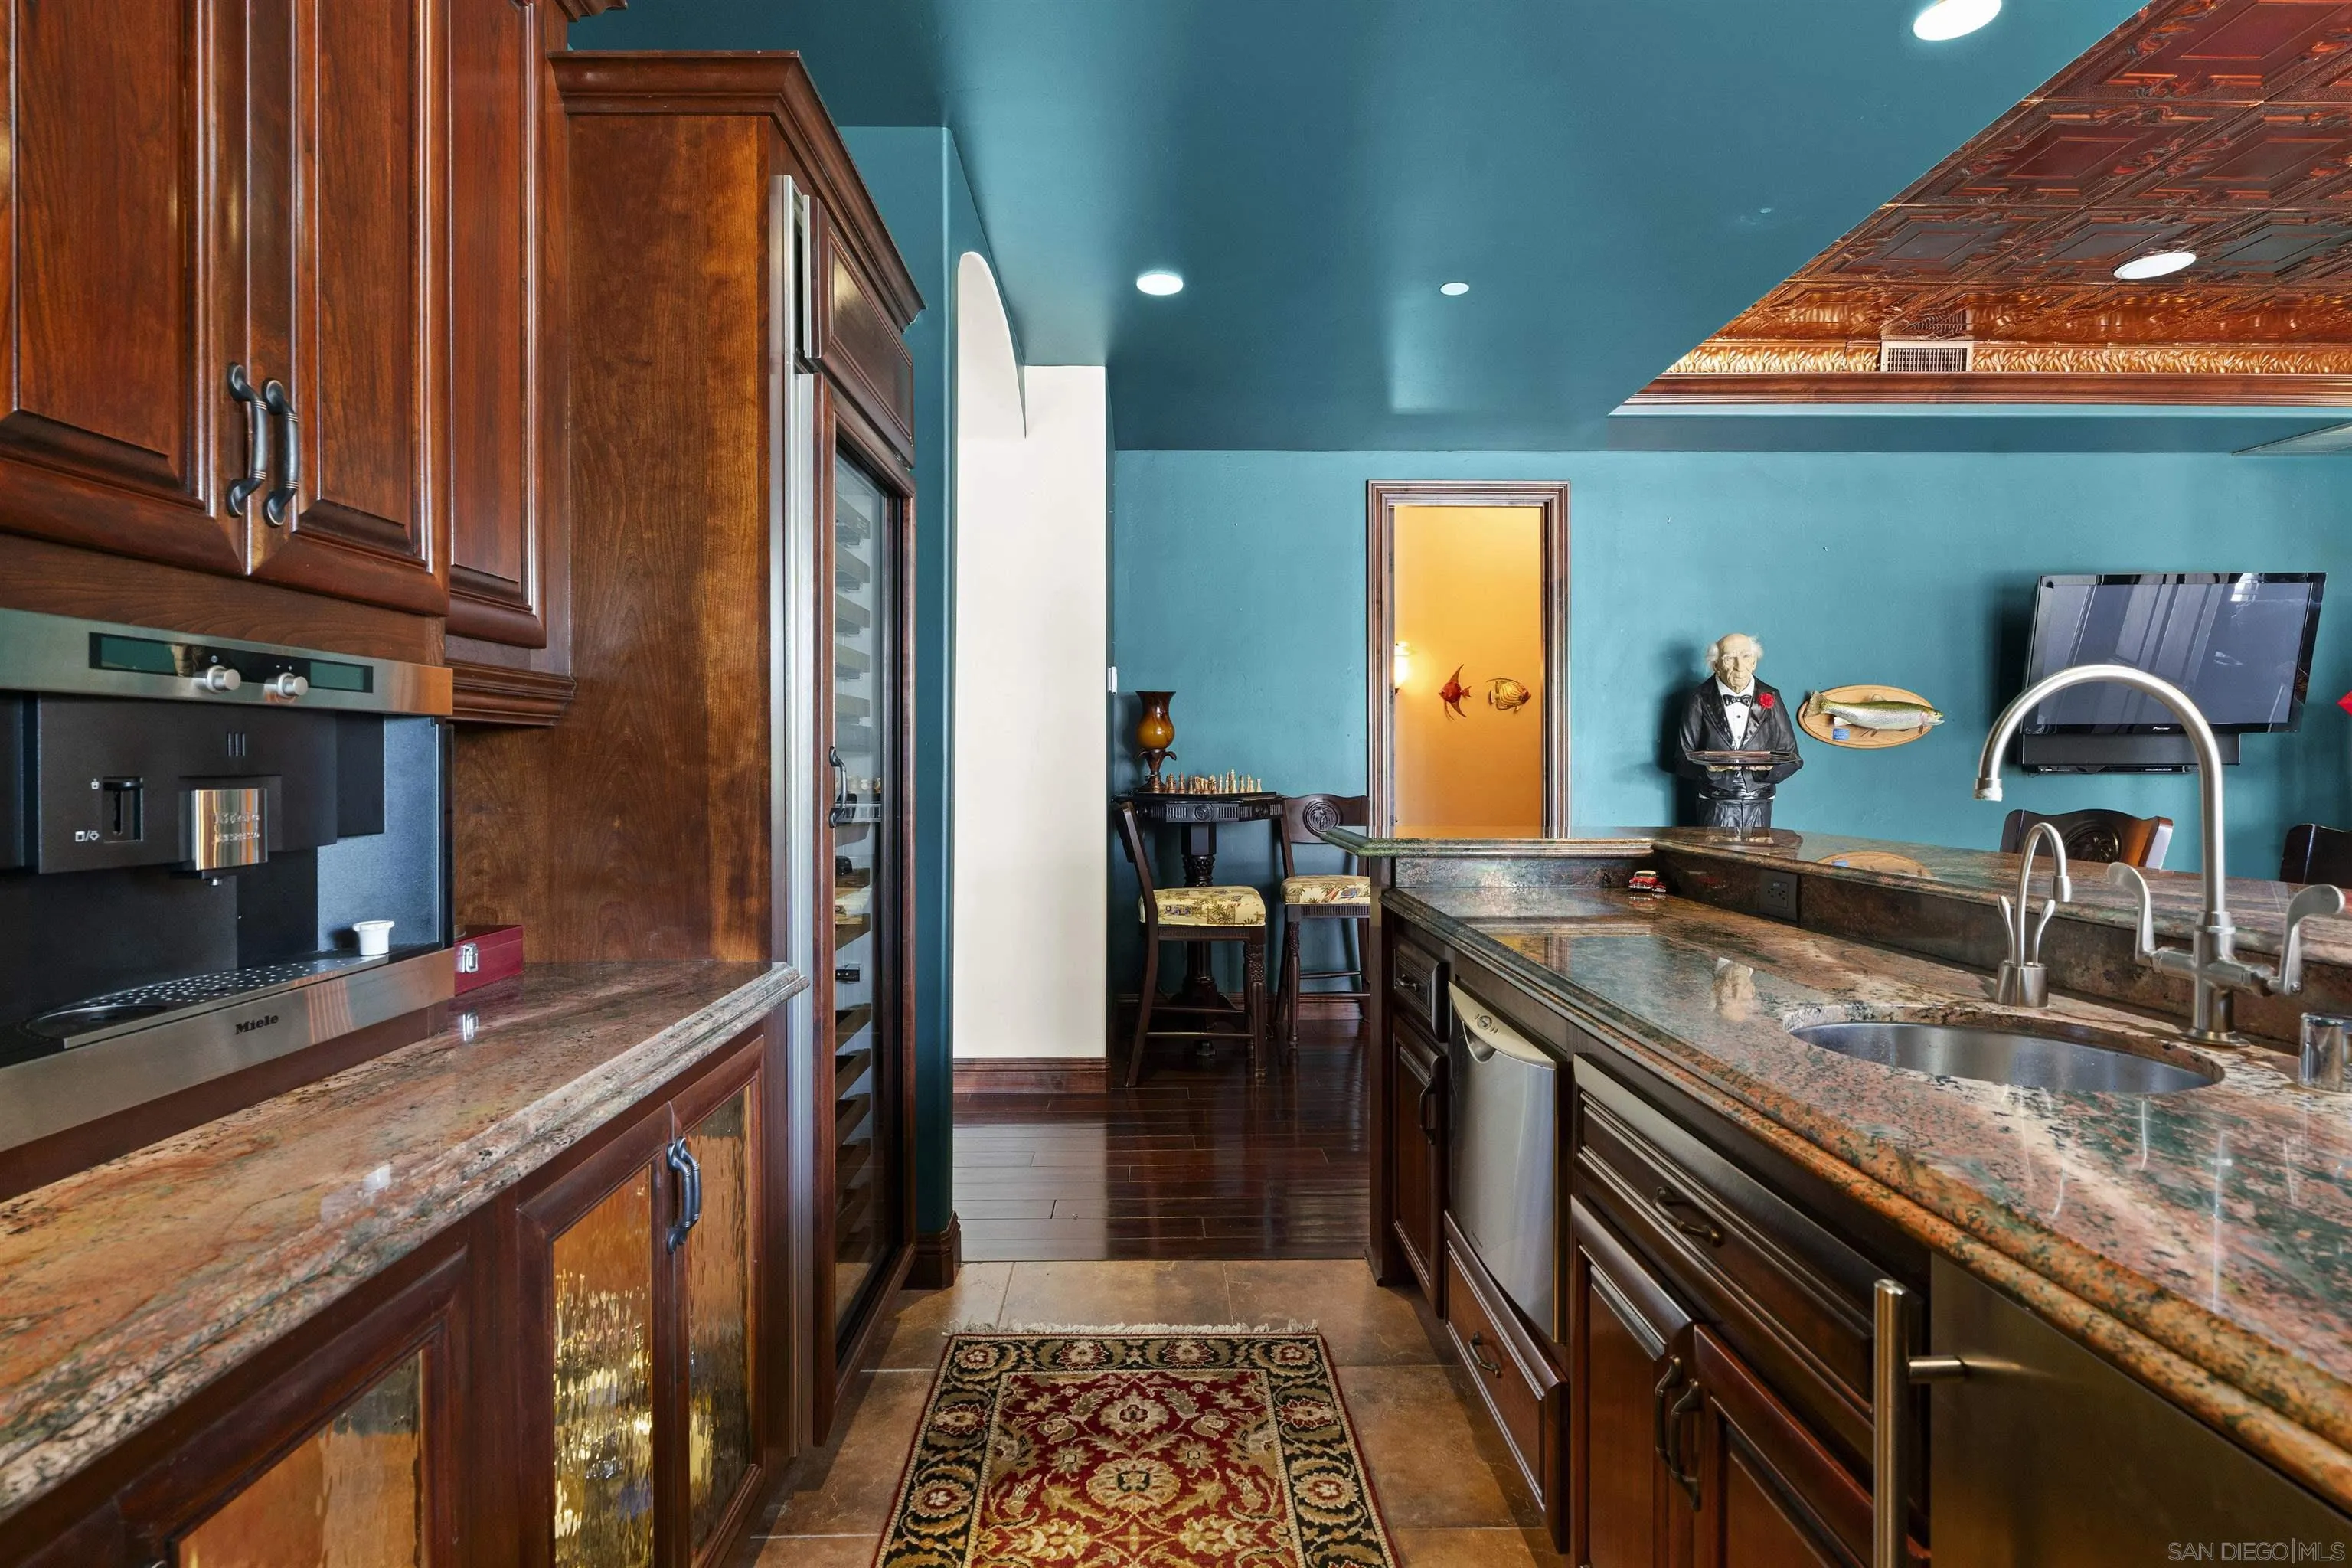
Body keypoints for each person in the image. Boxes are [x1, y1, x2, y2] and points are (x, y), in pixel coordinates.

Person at [1674, 632, 1803, 830]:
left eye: (1746, 657)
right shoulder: (1699, 698)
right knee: (1716, 858)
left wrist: (1769, 771)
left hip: (1759, 800)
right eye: (1729, 658)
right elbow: (1681, 760)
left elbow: (1793, 758)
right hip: (1715, 800)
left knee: (1757, 859)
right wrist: (1709, 771)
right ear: (1715, 665)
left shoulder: (1771, 696)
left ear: (1754, 662)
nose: (1739, 667)